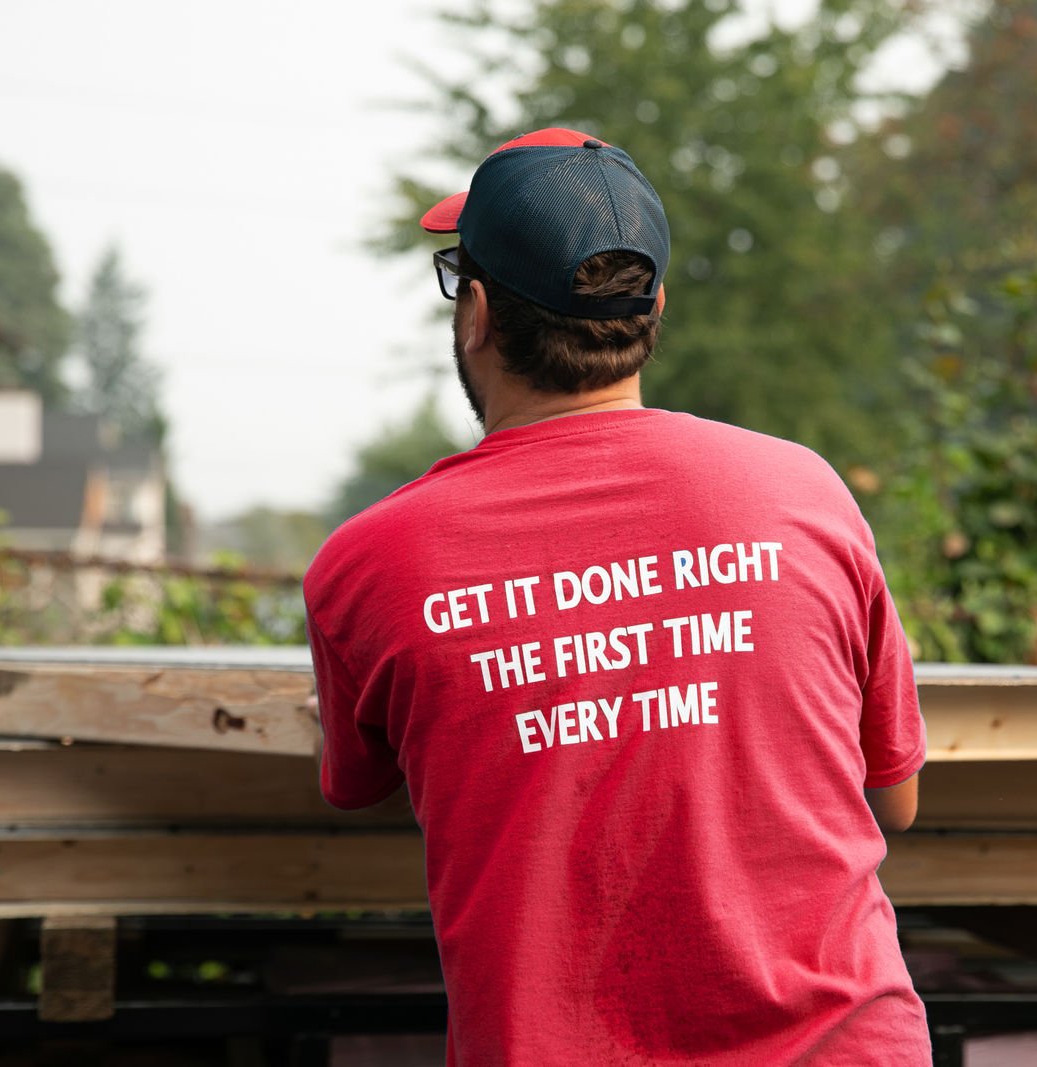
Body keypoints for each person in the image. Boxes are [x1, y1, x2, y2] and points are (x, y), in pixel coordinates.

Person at [304, 127, 930, 1065]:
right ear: (655, 306)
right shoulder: (806, 494)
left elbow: (354, 786)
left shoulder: (370, 564)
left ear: (474, 311)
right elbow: (896, 795)